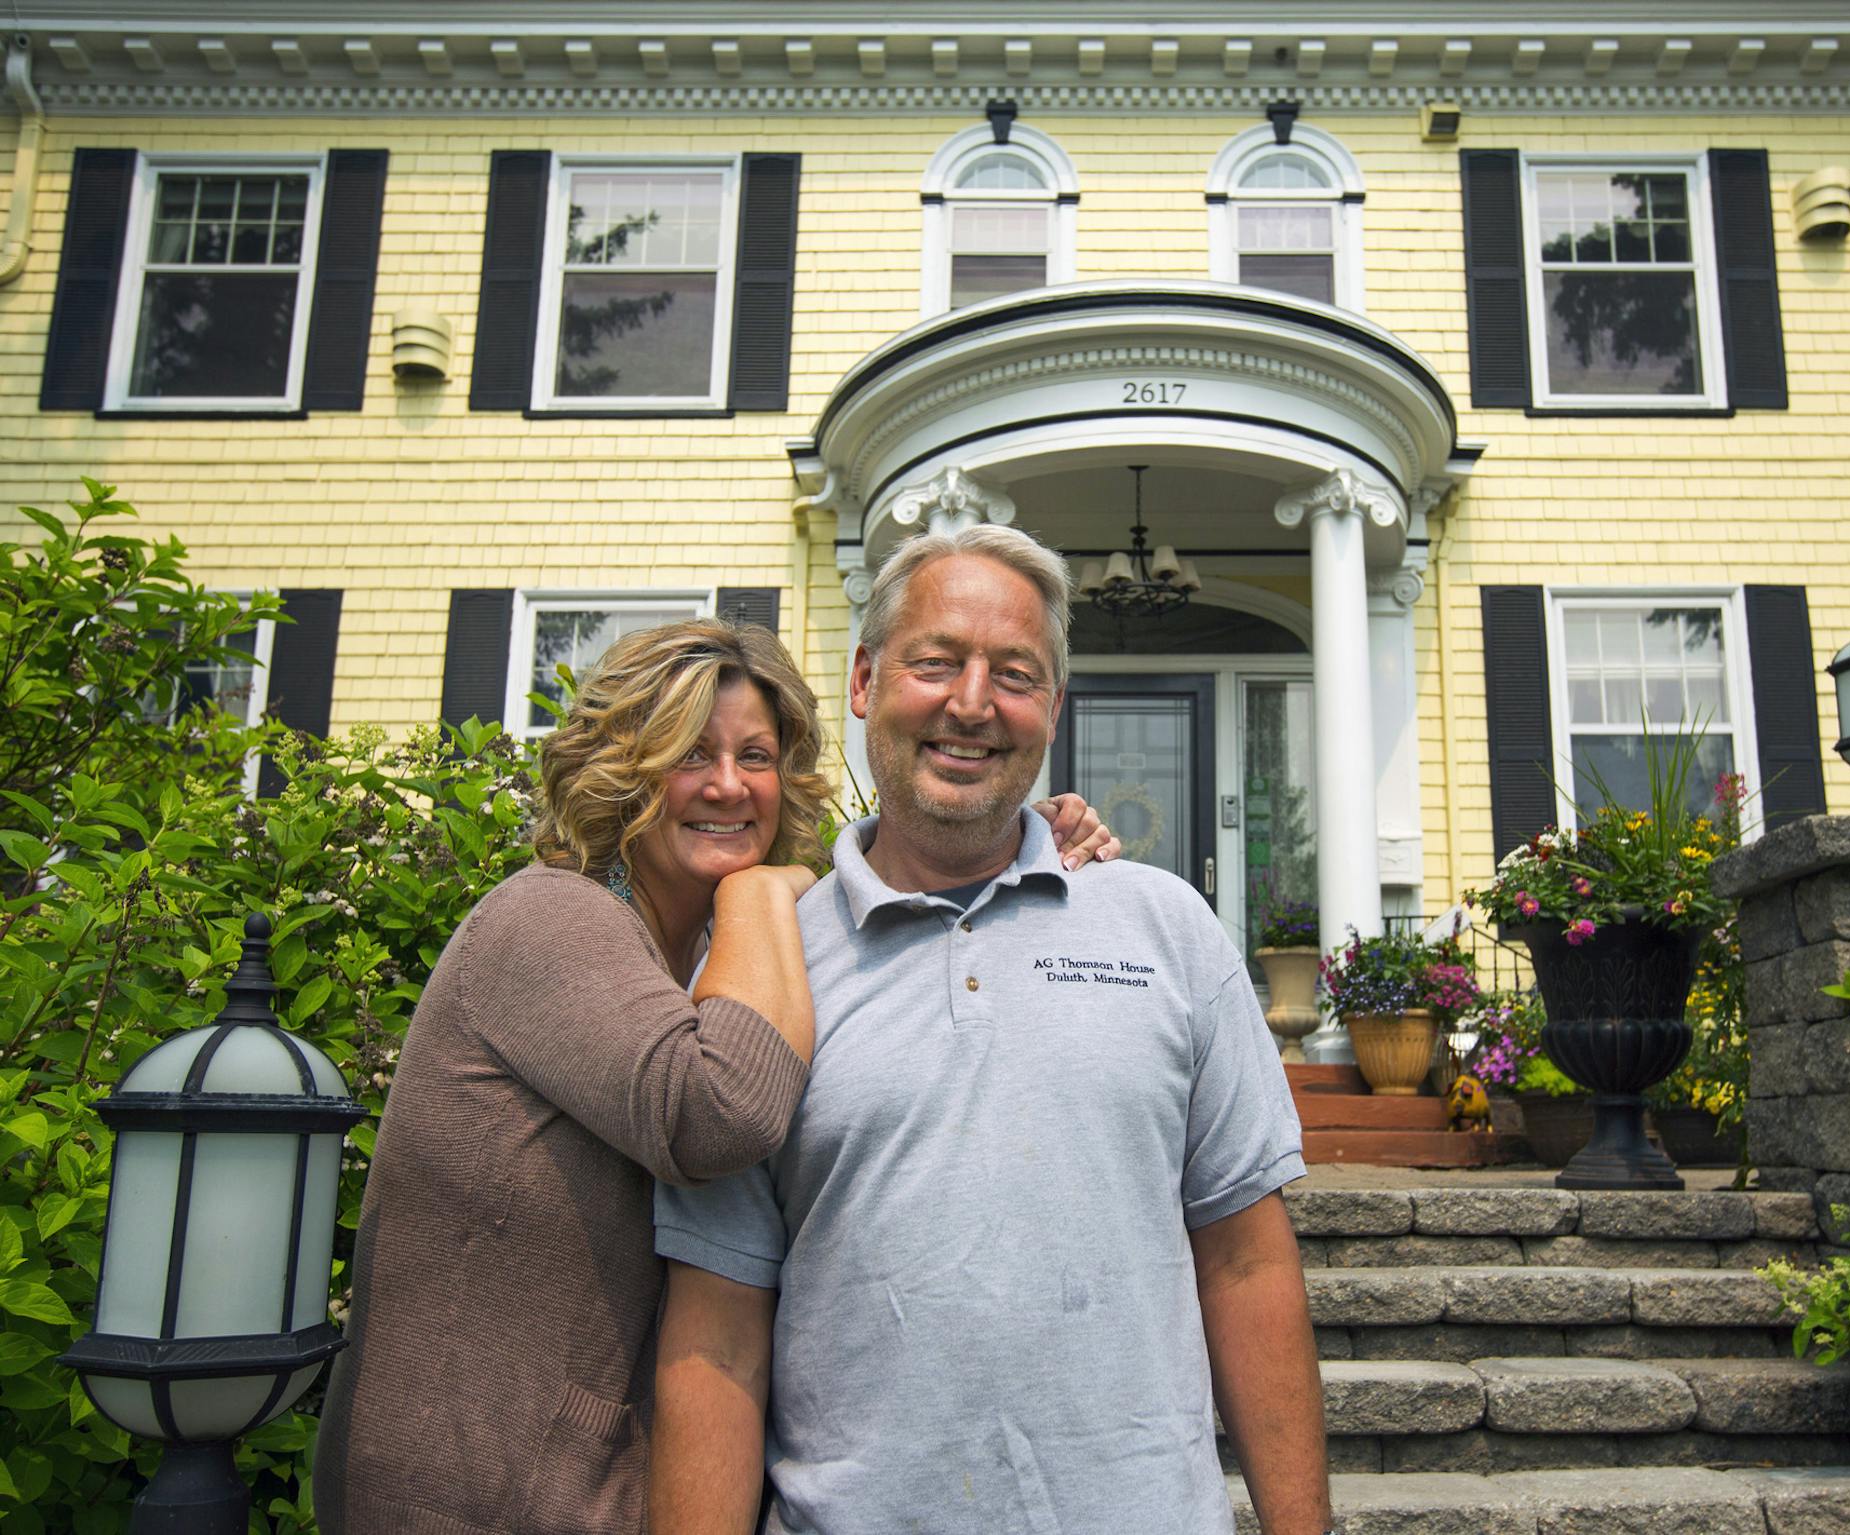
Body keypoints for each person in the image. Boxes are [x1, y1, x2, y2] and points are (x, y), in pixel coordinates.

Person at [315, 619, 1115, 1535]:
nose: (729, 784)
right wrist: (762, 889)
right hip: (470, 1492)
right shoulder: (545, 919)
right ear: (623, 767)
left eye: (757, 755)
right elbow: (722, 1112)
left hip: (584, 1488)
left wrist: (1019, 841)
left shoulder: (702, 955)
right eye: (691, 752)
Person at [651, 528, 1332, 1535]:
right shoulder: (767, 964)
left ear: (1052, 710)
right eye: (936, 661)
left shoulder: (1166, 925)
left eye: (1015, 674)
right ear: (865, 679)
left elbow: (1247, 1262)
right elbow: (716, 1333)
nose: (972, 702)